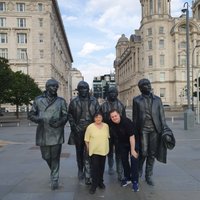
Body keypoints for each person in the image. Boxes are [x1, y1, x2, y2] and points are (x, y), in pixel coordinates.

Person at [28, 79, 68, 190]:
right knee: (45, 156)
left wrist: (59, 122)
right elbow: (31, 114)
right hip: (43, 132)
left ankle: (54, 178)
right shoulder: (38, 100)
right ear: (47, 87)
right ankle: (54, 171)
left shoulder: (61, 101)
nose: (55, 88)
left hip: (56, 132)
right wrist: (39, 119)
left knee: (55, 157)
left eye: (56, 86)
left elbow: (65, 116)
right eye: (53, 86)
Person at [132, 78, 172, 186]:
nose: (148, 86)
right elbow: (135, 118)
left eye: (149, 84)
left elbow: (162, 117)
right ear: (141, 88)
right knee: (144, 152)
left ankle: (148, 175)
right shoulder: (136, 100)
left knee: (152, 153)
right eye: (145, 85)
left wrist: (165, 130)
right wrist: (134, 133)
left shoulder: (157, 100)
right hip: (143, 129)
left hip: (155, 129)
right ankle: (139, 169)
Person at [68, 81, 100, 185]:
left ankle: (89, 172)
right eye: (81, 88)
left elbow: (98, 114)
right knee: (79, 151)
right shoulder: (74, 102)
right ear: (78, 90)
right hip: (79, 129)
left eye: (85, 88)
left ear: (88, 89)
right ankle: (80, 170)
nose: (83, 90)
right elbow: (70, 115)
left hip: (91, 129)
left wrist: (96, 126)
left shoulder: (94, 101)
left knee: (89, 151)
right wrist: (74, 126)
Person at [109, 109, 139, 192]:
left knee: (133, 160)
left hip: (133, 141)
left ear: (119, 115)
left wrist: (132, 150)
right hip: (122, 143)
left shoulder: (126, 122)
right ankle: (128, 177)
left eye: (115, 116)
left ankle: (135, 181)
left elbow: (132, 136)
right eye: (112, 117)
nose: (114, 118)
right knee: (124, 161)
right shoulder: (111, 123)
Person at [100, 87, 126, 180]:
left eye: (114, 92)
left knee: (119, 153)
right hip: (107, 132)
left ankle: (120, 172)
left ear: (117, 94)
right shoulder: (103, 106)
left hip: (119, 133)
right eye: (110, 92)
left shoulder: (121, 105)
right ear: (108, 94)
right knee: (109, 151)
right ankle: (110, 166)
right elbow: (100, 119)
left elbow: (124, 120)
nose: (112, 94)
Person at [84, 112, 110, 194]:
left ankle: (100, 182)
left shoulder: (106, 126)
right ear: (94, 118)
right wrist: (88, 149)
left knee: (102, 168)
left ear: (102, 118)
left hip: (103, 150)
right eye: (96, 117)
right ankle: (94, 185)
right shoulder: (90, 127)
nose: (98, 119)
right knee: (95, 169)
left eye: (100, 117)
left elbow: (107, 137)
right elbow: (86, 140)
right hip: (94, 151)